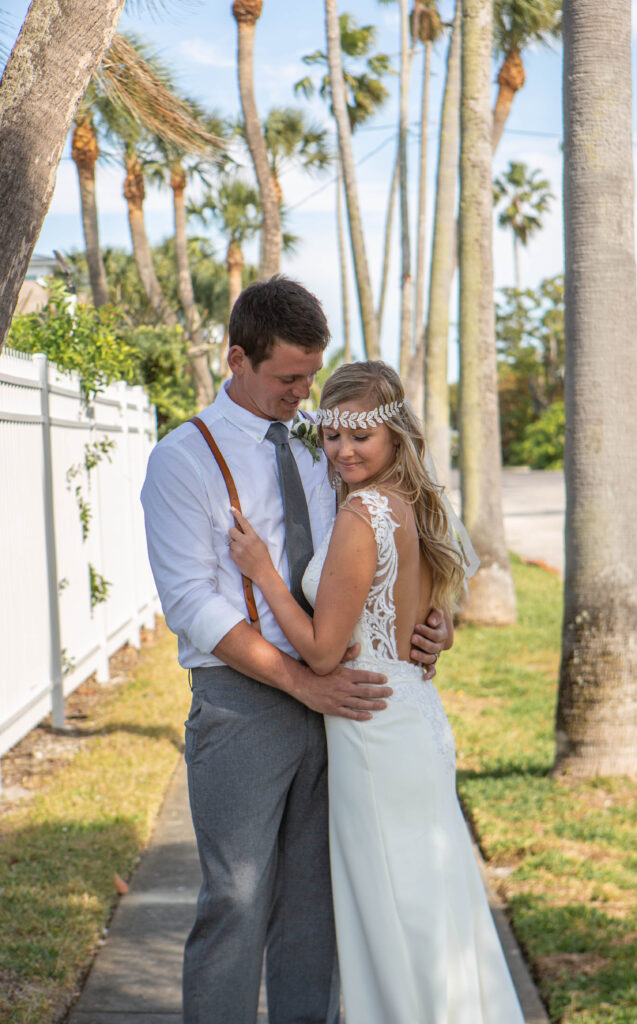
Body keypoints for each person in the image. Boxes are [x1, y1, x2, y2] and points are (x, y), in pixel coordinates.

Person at [140, 278, 450, 1024]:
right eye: (287, 378)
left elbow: (390, 550)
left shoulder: (327, 441)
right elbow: (191, 604)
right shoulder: (182, 459)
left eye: (310, 377)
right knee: (236, 904)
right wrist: (300, 682)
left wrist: (433, 620)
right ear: (237, 358)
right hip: (243, 705)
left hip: (345, 705)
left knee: (316, 908)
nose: (302, 394)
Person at [228, 360, 525, 1024]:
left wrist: (265, 574)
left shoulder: (363, 513)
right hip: (412, 715)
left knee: (394, 908)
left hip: (371, 730)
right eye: (332, 436)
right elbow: (422, 610)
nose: (342, 451)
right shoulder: (414, 503)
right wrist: (438, 631)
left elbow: (324, 650)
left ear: (393, 433)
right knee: (430, 903)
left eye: (358, 436)